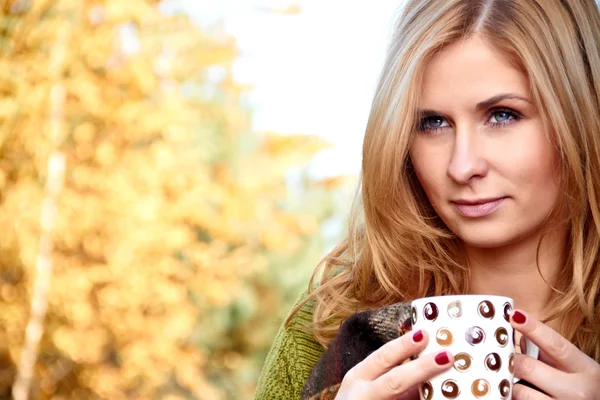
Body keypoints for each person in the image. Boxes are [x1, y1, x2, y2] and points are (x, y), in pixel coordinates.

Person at [255, 0, 600, 399]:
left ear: (580, 115)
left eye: (503, 115)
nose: (462, 166)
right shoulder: (331, 320)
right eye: (432, 123)